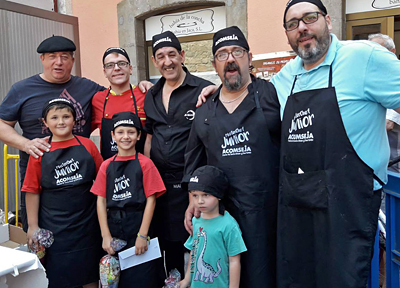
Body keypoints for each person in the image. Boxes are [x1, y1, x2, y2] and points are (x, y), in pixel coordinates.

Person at [270, 0, 400, 287]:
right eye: (292, 24)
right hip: (298, 207)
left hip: (350, 203)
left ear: (328, 21)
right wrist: (213, 92)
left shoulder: (365, 57)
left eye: (309, 18)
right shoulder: (284, 77)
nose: (302, 28)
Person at [0, 35, 152, 231]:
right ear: (42, 59)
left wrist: (144, 87)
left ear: (72, 60)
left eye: (65, 56)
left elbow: (117, 92)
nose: (59, 62)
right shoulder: (22, 89)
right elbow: (2, 123)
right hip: (40, 177)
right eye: (52, 56)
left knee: (88, 234)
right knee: (38, 236)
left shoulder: (88, 88)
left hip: (83, 180)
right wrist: (25, 144)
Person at [184, 26, 281, 288]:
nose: (230, 59)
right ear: (215, 64)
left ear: (249, 58)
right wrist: (193, 200)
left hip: (266, 213)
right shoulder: (204, 112)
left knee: (264, 276)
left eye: (237, 52)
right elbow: (193, 163)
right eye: (222, 54)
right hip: (221, 215)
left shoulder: (273, 95)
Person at [144, 30, 213, 276]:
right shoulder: (150, 95)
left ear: (182, 56)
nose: (167, 61)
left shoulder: (204, 90)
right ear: (154, 61)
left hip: (192, 182)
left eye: (172, 54)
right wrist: (146, 176)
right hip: (160, 182)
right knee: (165, 242)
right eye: (160, 56)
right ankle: (172, 281)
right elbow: (149, 136)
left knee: (196, 239)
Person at [23, 98, 103, 288]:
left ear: (74, 120)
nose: (61, 122)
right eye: (55, 117)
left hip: (87, 223)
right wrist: (33, 226)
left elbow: (102, 182)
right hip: (55, 226)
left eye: (66, 116)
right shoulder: (40, 150)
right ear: (45, 122)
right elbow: (32, 190)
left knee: (90, 273)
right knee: (59, 275)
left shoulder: (88, 145)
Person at [91, 111, 166, 287]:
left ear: (139, 135)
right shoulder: (106, 165)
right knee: (116, 280)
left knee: (143, 279)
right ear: (113, 135)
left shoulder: (145, 163)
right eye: (120, 132)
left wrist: (142, 235)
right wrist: (105, 235)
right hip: (114, 227)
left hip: (139, 224)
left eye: (131, 132)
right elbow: (100, 201)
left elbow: (151, 200)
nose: (126, 137)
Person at [180, 165, 247, 288]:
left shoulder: (229, 225)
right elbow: (193, 253)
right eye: (195, 195)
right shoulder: (196, 221)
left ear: (219, 195)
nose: (200, 201)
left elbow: (234, 260)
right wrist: (186, 280)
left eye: (206, 195)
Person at [91, 47, 147, 159]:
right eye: (110, 65)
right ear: (104, 72)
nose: (116, 68)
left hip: (142, 168)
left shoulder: (145, 95)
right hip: (110, 170)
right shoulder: (97, 99)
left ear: (130, 69)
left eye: (122, 63)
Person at [369, 33, 400, 173]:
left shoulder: (395, 75)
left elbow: (388, 123)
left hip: (394, 151)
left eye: (377, 50)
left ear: (392, 52)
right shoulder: (371, 76)